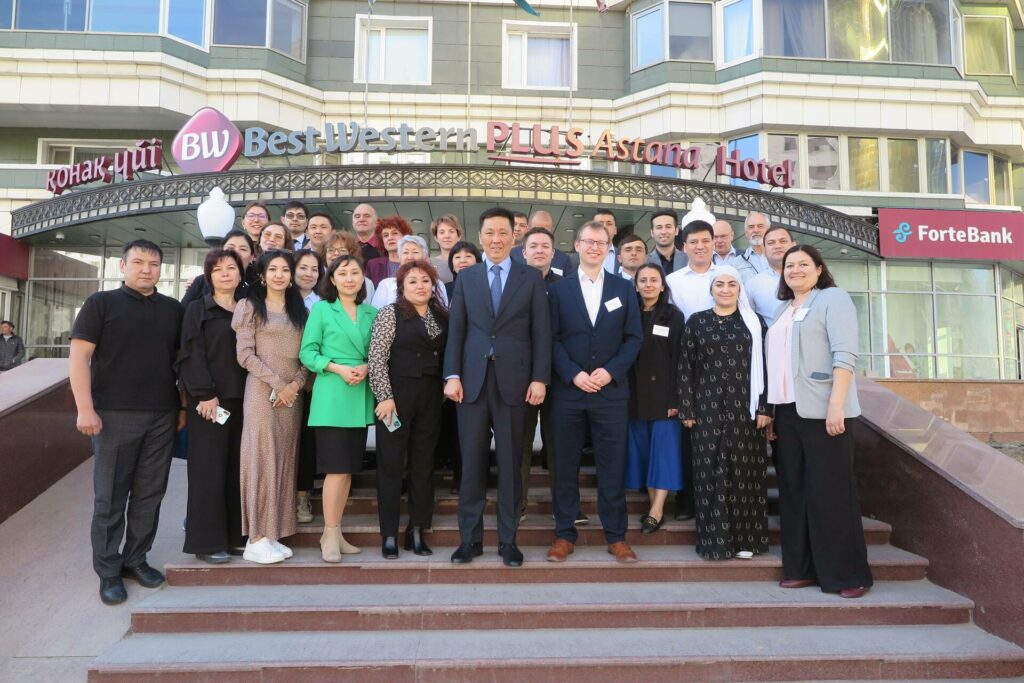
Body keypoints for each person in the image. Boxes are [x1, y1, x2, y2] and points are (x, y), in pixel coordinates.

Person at [68, 239, 184, 605]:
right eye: (138, 262)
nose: (146, 269)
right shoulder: (100, 304)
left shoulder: (173, 310)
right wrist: (84, 409)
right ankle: (108, 570)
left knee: (150, 493)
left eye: (153, 263)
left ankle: (136, 559)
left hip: (162, 416)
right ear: (123, 266)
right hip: (113, 416)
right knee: (110, 498)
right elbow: (78, 359)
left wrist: (180, 406)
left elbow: (179, 363)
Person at [444, 207, 551, 568]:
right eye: (489, 232)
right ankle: (469, 541)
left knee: (509, 465)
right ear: (481, 235)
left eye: (503, 232)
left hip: (516, 384)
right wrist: (452, 375)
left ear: (513, 236)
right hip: (471, 384)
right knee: (471, 465)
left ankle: (508, 542)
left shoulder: (530, 278)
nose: (496, 239)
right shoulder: (467, 277)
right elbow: (457, 330)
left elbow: (541, 333)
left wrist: (540, 378)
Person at [766, 245, 873, 599]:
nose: (794, 270)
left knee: (831, 494)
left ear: (818, 268)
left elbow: (845, 354)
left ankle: (848, 574)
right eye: (788, 265)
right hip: (787, 413)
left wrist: (836, 405)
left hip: (825, 411)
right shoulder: (784, 309)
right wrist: (771, 410)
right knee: (794, 494)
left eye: (802, 264)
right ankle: (801, 568)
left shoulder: (832, 298)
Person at [546, 221, 643, 565]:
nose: (594, 247)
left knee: (612, 467)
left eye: (601, 242)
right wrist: (573, 374)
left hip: (610, 393)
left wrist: (609, 371)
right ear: (576, 245)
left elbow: (634, 338)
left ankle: (616, 537)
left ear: (608, 247)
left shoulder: (623, 288)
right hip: (568, 394)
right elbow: (551, 340)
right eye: (588, 241)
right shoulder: (558, 290)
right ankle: (564, 535)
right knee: (565, 466)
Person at [678, 265, 771, 560]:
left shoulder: (754, 324)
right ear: (711, 289)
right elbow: (685, 367)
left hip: (746, 411)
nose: (726, 289)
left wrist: (766, 407)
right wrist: (687, 408)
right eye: (720, 284)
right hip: (706, 410)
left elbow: (768, 366)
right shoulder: (697, 322)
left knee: (746, 473)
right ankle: (714, 541)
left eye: (732, 284)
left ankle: (746, 541)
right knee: (709, 474)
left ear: (740, 289)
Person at [232, 249, 309, 564]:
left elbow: (308, 355)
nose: (280, 274)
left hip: (292, 396)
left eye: (285, 269)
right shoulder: (249, 305)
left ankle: (273, 532)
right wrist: (279, 385)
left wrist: (294, 385)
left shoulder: (299, 309)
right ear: (262, 275)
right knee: (262, 458)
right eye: (273, 269)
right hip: (263, 391)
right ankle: (255, 538)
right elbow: (245, 354)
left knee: (284, 459)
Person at [368, 260, 449, 558]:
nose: (420, 286)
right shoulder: (390, 314)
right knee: (390, 465)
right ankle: (388, 533)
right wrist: (384, 396)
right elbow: (376, 358)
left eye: (426, 281)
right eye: (413, 281)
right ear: (401, 286)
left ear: (433, 286)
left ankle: (417, 529)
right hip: (396, 397)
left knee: (423, 464)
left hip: (430, 398)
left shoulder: (442, 316)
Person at [300, 255, 377, 563]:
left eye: (354, 273)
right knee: (335, 469)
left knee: (347, 470)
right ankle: (329, 533)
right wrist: (336, 368)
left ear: (363, 279)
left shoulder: (372, 312)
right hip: (332, 393)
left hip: (359, 394)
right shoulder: (321, 309)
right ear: (331, 279)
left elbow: (381, 350)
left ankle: (335, 531)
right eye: (342, 273)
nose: (349, 278)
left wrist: (368, 367)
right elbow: (307, 352)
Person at [177, 248, 247, 564]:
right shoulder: (197, 309)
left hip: (245, 400)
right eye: (217, 269)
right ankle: (206, 542)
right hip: (210, 403)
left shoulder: (248, 309)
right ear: (209, 276)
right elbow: (191, 353)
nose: (225, 273)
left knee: (236, 469)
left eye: (231, 267)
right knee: (208, 471)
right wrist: (204, 394)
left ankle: (234, 536)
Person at [665, 218, 725, 522]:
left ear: (715, 243)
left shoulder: (729, 275)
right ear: (683, 246)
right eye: (693, 242)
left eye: (705, 240)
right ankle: (688, 500)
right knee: (687, 437)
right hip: (685, 366)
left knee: (719, 437)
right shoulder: (674, 281)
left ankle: (717, 501)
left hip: (724, 368)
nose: (700, 247)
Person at [625, 264, 684, 533]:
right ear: (635, 285)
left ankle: (657, 510)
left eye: (654, 280)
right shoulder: (628, 312)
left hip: (664, 396)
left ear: (663, 286)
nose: (648, 284)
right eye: (643, 280)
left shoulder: (673, 315)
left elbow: (678, 360)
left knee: (664, 453)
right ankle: (653, 507)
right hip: (632, 396)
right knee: (645, 454)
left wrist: (676, 398)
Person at [518, 227, 562, 518]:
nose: (539, 250)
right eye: (533, 245)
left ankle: (564, 505)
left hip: (558, 377)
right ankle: (517, 503)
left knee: (558, 443)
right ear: (523, 252)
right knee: (519, 443)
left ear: (553, 252)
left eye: (545, 246)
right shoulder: (513, 283)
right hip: (520, 375)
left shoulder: (567, 285)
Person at [437, 240, 482, 489]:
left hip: (476, 363)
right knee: (452, 424)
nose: (462, 260)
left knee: (473, 428)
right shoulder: (445, 288)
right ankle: (455, 473)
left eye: (468, 255)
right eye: (457, 257)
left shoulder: (485, 285)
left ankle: (472, 477)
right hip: (448, 361)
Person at [293, 248, 326, 524]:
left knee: (306, 442)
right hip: (279, 382)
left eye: (314, 269)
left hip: (312, 383)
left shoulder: (322, 303)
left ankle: (302, 496)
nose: (308, 273)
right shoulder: (279, 299)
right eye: (303, 267)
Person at [180, 230, 256, 309]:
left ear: (252, 257)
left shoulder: (258, 286)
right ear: (221, 251)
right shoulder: (201, 281)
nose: (236, 252)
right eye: (230, 247)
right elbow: (182, 312)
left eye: (243, 249)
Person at [370, 235, 449, 309]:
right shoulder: (386, 284)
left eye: (415, 252)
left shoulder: (437, 283)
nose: (410, 257)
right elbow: (376, 313)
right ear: (399, 257)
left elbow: (442, 312)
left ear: (425, 257)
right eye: (405, 252)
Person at [747, 226, 796, 324]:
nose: (777, 246)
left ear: (793, 245)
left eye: (783, 241)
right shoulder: (752, 285)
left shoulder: (810, 277)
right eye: (771, 243)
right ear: (764, 250)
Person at [511, 210, 572, 275]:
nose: (541, 234)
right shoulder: (512, 255)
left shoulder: (563, 259)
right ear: (528, 229)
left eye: (546, 231)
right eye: (537, 230)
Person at [325, 231, 376, 302]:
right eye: (331, 250)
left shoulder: (366, 283)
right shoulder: (317, 278)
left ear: (352, 254)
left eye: (342, 250)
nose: (336, 254)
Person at [365, 215, 412, 286]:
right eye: (386, 235)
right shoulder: (372, 266)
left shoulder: (415, 263)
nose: (390, 238)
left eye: (395, 233)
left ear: (405, 237)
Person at [729, 212, 771, 283]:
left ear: (769, 230)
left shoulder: (781, 257)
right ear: (746, 233)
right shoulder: (736, 264)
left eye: (760, 226)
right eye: (751, 227)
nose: (756, 230)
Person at [646, 209, 687, 275]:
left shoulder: (689, 260)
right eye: (659, 227)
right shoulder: (644, 262)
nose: (664, 232)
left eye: (668, 227)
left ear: (676, 231)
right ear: (652, 233)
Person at [429, 214, 463, 284]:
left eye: (451, 231)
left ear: (459, 236)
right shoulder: (429, 264)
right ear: (436, 238)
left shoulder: (468, 261)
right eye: (442, 232)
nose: (447, 236)